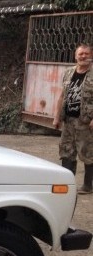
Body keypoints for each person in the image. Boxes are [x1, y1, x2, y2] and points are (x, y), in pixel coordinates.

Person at [53, 43, 93, 194]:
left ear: (91, 56)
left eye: (86, 54)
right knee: (66, 151)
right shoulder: (68, 72)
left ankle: (88, 186)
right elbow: (62, 96)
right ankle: (67, 184)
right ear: (75, 56)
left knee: (88, 153)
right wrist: (56, 117)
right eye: (80, 54)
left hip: (86, 121)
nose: (83, 56)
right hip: (68, 120)